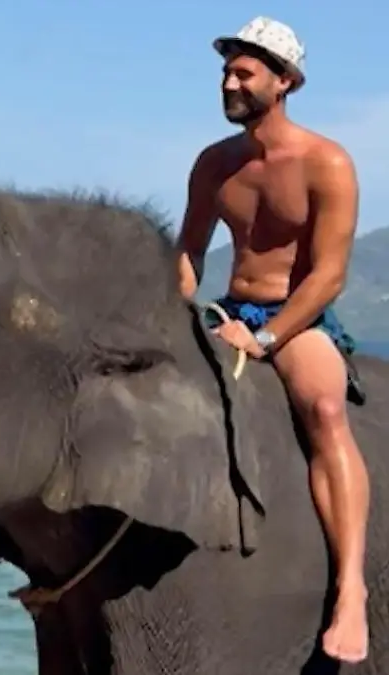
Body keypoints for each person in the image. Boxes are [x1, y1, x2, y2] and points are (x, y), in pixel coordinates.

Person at [176, 17, 368, 663]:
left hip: (298, 315)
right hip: (227, 306)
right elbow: (190, 251)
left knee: (324, 408)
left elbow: (331, 274)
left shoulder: (327, 162)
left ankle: (350, 590)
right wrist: (174, 312)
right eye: (226, 71)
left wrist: (268, 336)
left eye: (243, 72)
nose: (228, 81)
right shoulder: (215, 162)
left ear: (284, 82)